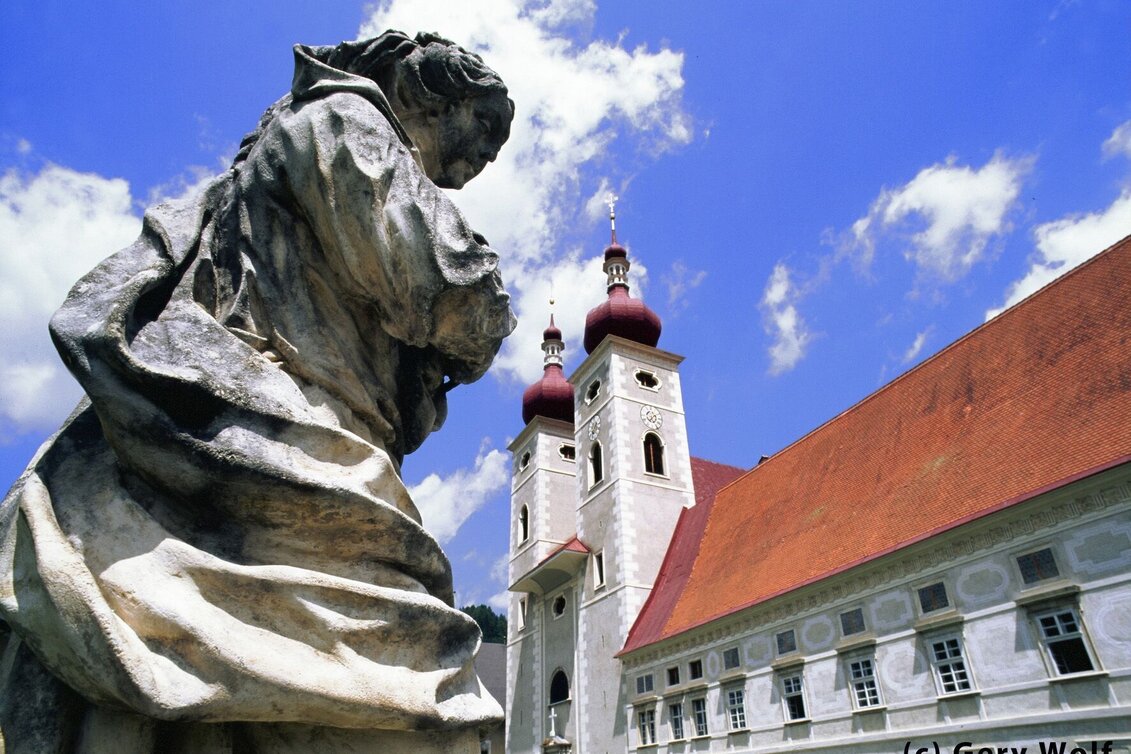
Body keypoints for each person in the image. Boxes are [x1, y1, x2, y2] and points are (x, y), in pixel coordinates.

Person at [0, 31, 515, 753]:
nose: (486, 154)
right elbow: (441, 285)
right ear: (428, 92)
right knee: (406, 696)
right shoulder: (346, 124)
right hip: (286, 422)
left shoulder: (303, 135)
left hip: (296, 422)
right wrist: (489, 313)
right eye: (484, 125)